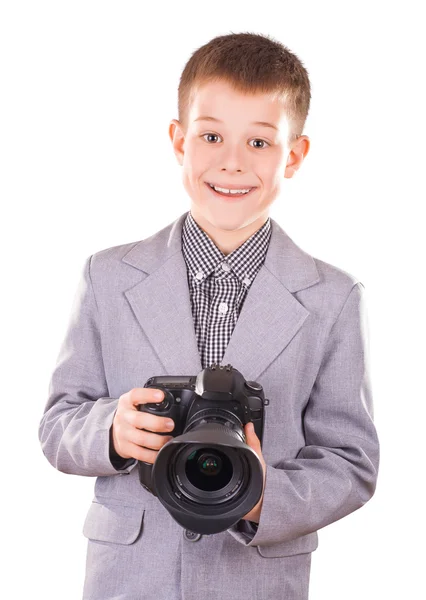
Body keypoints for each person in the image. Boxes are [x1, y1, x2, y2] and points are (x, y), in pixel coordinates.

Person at [38, 31, 380, 600]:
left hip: (257, 581)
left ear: (294, 155)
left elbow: (353, 460)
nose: (231, 163)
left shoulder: (334, 298)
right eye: (212, 136)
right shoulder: (108, 274)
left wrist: (266, 498)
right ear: (178, 140)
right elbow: (57, 423)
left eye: (260, 143)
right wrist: (113, 432)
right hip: (129, 580)